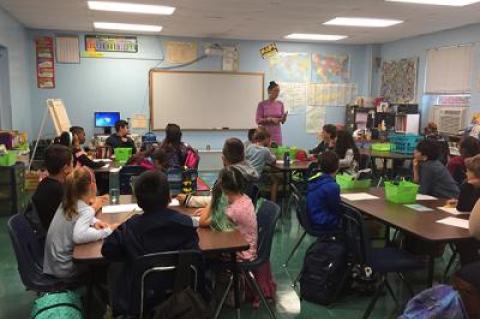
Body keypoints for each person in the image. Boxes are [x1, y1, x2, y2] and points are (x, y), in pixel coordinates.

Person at [101, 171, 200, 316]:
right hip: (181, 301)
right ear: (169, 197)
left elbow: (108, 250)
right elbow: (195, 256)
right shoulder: (186, 225)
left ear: (139, 202)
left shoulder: (130, 228)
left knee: (116, 268)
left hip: (140, 300)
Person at [43, 167, 114, 281]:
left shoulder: (69, 202)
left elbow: (77, 217)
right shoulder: (85, 210)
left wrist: (94, 222)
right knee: (111, 263)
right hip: (66, 269)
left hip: (54, 265)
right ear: (92, 186)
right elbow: (79, 236)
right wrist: (108, 230)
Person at [194, 138, 259, 229]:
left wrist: (210, 209)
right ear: (244, 156)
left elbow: (204, 220)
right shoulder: (250, 172)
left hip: (232, 230)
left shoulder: (228, 178)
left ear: (223, 158)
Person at [31, 144, 73, 231]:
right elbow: (74, 217)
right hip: (58, 234)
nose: (73, 166)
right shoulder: (57, 189)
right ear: (66, 168)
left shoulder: (45, 182)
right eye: (72, 162)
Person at [307, 151, 342, 231]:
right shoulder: (332, 187)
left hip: (312, 218)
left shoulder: (314, 180)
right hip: (324, 222)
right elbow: (336, 209)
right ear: (337, 167)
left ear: (320, 166)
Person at [255, 81, 288, 146]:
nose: (277, 93)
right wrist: (270, 119)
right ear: (269, 91)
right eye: (275, 91)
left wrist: (284, 118)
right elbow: (258, 120)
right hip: (264, 135)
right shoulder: (262, 104)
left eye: (278, 91)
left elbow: (282, 121)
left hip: (277, 134)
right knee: (265, 152)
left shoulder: (280, 104)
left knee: (277, 153)